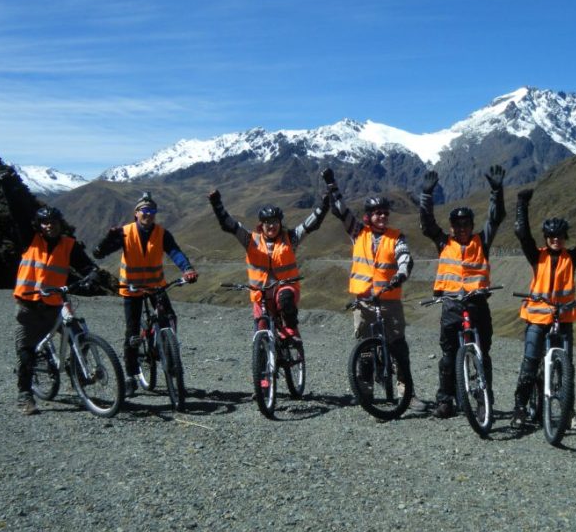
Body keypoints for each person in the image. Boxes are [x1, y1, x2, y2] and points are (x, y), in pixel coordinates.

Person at [322, 168, 425, 412]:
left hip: (389, 300)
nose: (382, 217)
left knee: (399, 347)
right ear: (368, 216)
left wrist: (401, 273)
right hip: (364, 300)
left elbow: (404, 257)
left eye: (385, 213)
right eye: (377, 213)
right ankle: (365, 389)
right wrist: (331, 185)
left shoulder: (396, 237)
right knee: (365, 348)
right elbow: (340, 210)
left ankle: (407, 393)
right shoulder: (359, 233)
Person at [419, 165, 506, 419]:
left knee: (483, 355)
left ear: (471, 224)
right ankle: (445, 401)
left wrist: (496, 190)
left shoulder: (482, 240)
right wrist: (426, 196)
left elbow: (496, 217)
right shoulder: (444, 242)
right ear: (452, 226)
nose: (461, 228)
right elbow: (426, 224)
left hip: (478, 304)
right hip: (451, 306)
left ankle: (483, 401)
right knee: (448, 357)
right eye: (456, 224)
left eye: (466, 223)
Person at [512, 189, 576, 430]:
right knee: (530, 364)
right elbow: (522, 233)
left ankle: (568, 411)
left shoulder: (571, 257)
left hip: (563, 318)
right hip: (537, 318)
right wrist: (522, 203)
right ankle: (519, 408)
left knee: (566, 369)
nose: (556, 239)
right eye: (551, 236)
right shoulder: (536, 256)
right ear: (545, 237)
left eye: (560, 235)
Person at [92, 193, 198, 397]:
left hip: (156, 286)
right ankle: (131, 376)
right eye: (144, 211)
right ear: (136, 213)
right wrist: (108, 239)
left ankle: (169, 353)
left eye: (152, 211)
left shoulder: (161, 233)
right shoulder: (124, 232)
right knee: (132, 334)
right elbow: (99, 253)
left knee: (169, 318)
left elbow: (174, 252)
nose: (148, 215)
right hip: (131, 288)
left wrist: (187, 269)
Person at [12, 206, 99, 415]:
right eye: (45, 222)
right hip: (29, 306)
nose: (50, 226)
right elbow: (16, 212)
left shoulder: (69, 245)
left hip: (55, 304)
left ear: (61, 224)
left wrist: (92, 275)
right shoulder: (29, 240)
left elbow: (86, 265)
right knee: (26, 353)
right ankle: (25, 395)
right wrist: (7, 185)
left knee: (79, 336)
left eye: (54, 222)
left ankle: (74, 370)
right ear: (39, 225)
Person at [208, 189, 327, 339]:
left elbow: (310, 225)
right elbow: (230, 225)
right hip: (260, 294)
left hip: (285, 288)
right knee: (260, 332)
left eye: (275, 222)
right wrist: (217, 204)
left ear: (280, 223)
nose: (272, 226)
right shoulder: (250, 239)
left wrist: (325, 205)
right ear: (261, 224)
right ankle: (262, 357)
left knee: (285, 299)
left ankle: (292, 333)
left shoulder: (290, 238)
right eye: (268, 222)